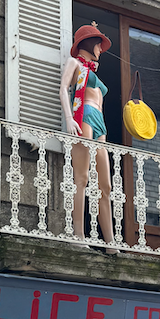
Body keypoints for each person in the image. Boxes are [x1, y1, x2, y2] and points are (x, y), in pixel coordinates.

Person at [58, 23, 114, 243]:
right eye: (99, 44)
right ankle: (78, 234)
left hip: (100, 121)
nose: (101, 49)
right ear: (89, 44)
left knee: (105, 185)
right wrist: (69, 118)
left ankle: (110, 241)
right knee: (81, 178)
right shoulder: (74, 63)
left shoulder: (92, 71)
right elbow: (63, 88)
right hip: (84, 115)